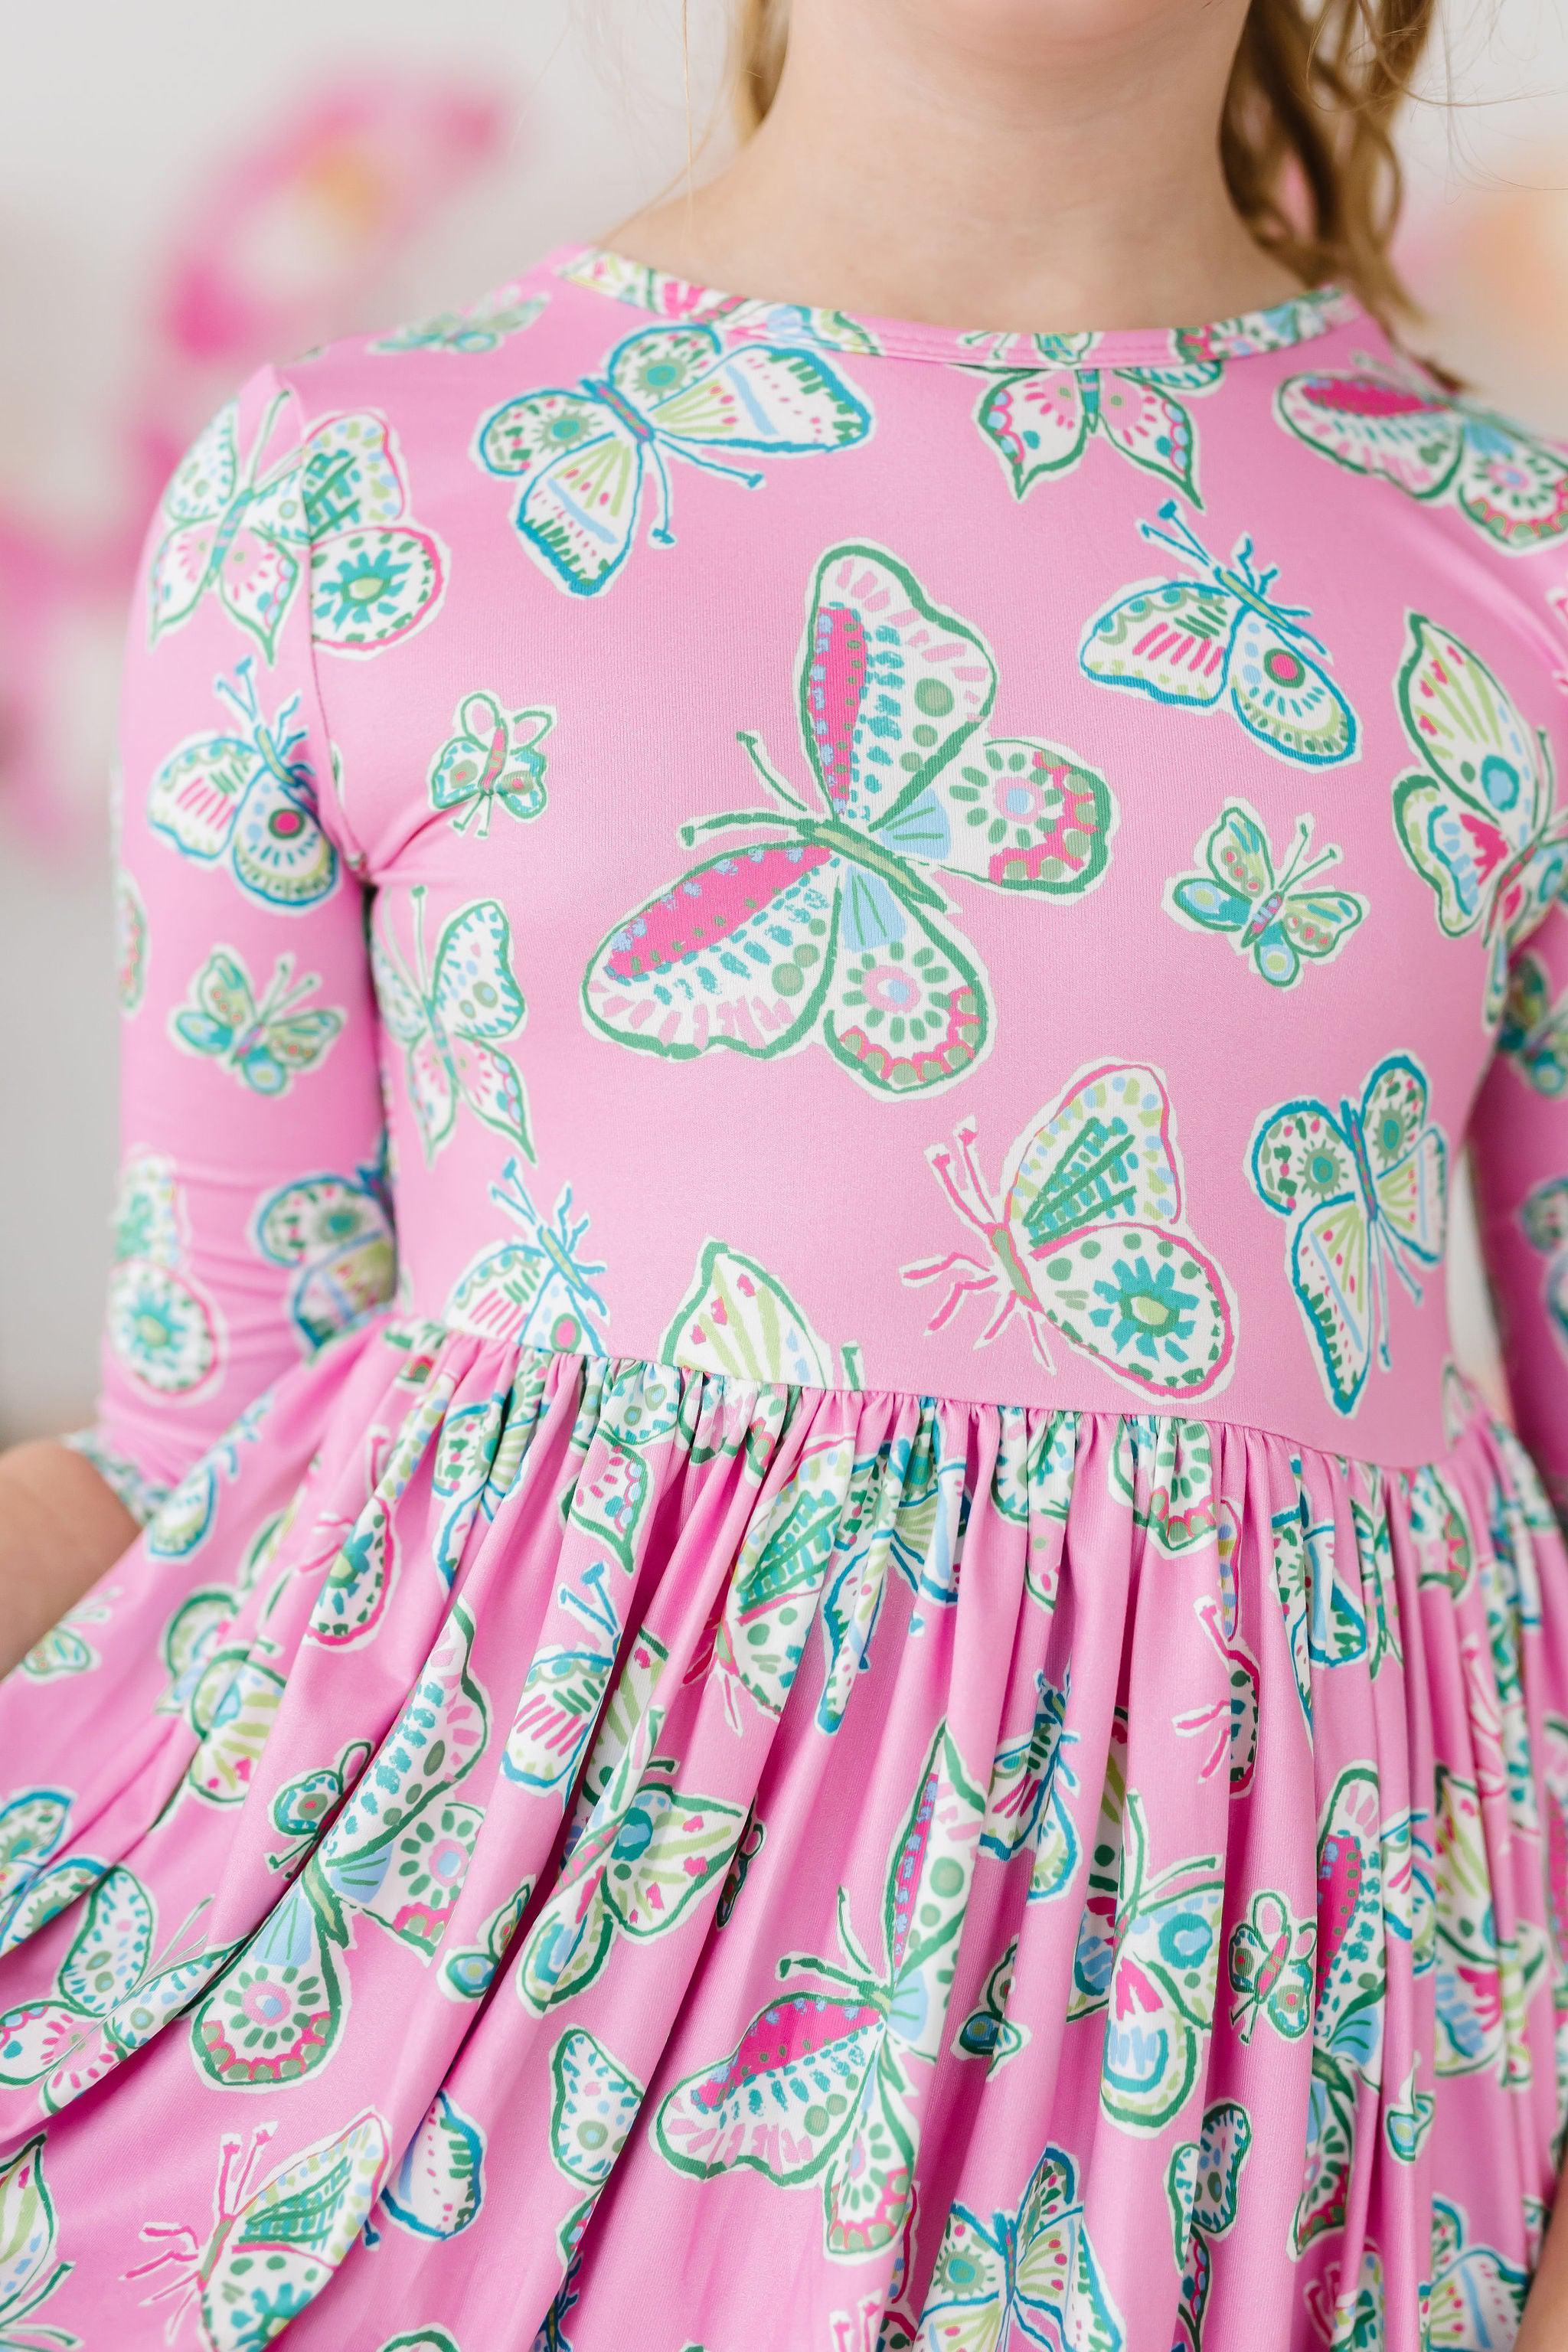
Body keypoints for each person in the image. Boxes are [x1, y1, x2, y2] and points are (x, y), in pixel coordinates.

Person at [3, 0, 1568, 2343]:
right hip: (441, 2121)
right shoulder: (354, 494)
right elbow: (192, 1460)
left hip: (1259, 2165)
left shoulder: (1517, 580)